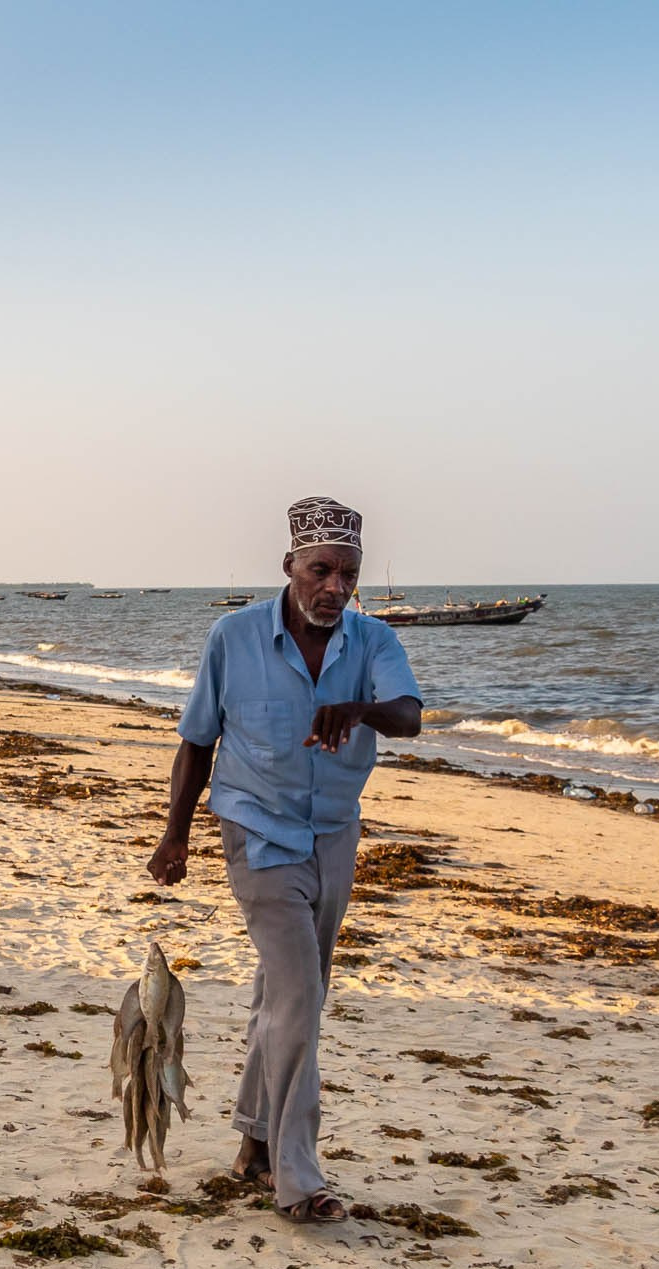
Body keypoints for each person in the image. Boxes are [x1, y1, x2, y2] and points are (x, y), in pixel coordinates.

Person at [148, 497, 421, 1225]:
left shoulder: (371, 641)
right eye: (321, 569)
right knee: (300, 995)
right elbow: (198, 740)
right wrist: (174, 834)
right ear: (290, 568)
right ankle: (297, 1178)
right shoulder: (232, 637)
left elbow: (410, 715)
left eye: (348, 574)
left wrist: (358, 710)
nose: (335, 586)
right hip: (255, 830)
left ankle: (256, 1137)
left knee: (288, 993)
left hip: (333, 831)